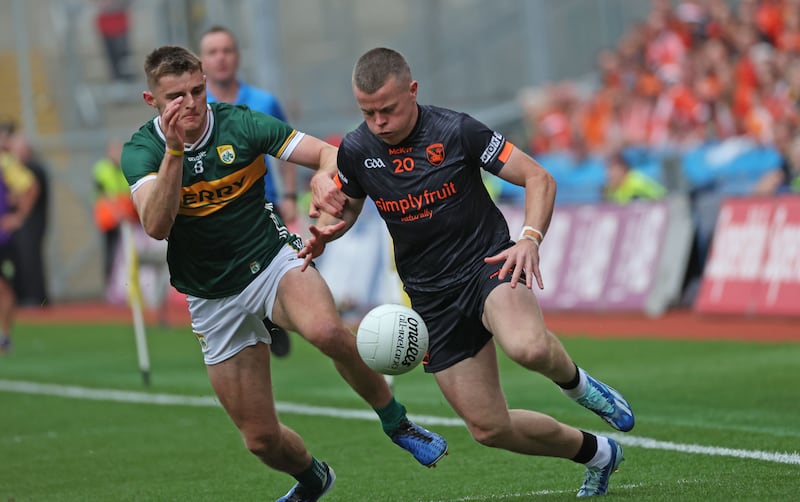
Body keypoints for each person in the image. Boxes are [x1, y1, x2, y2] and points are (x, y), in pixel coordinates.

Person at [301, 47, 636, 498]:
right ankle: (598, 454)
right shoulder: (358, 149)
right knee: (489, 427)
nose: (378, 121)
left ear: (413, 91)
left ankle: (578, 386)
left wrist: (529, 239)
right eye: (368, 112)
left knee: (528, 348)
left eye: (387, 109)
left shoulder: (457, 130)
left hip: (488, 265)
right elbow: (344, 214)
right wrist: (326, 233)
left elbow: (539, 178)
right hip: (431, 299)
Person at [120, 45, 448, 501]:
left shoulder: (241, 123)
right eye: (177, 96)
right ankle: (314, 478)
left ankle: (397, 422)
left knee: (326, 331)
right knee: (261, 440)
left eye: (198, 90)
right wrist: (175, 151)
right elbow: (156, 226)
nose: (191, 103)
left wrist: (323, 175)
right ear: (151, 100)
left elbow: (330, 154)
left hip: (271, 262)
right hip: (211, 296)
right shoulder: (142, 151)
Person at [199, 25, 297, 357]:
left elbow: (289, 147)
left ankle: (276, 316)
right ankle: (261, 322)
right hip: (216, 212)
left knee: (275, 269)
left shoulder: (263, 102)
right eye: (213, 52)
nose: (221, 58)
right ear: (202, 62)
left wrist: (290, 195)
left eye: (227, 50)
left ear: (237, 57)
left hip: (263, 204)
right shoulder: (198, 109)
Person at [0, 127, 40, 353]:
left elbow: (30, 186)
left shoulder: (5, 163)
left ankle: (5, 336)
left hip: (2, 239)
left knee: (4, 287)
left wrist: (19, 216)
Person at [6, 131, 49, 306]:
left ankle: (34, 298)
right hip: (30, 221)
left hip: (31, 222)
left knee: (30, 258)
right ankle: (27, 296)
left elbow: (31, 190)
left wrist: (19, 214)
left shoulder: (32, 169)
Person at [93, 139, 138, 284]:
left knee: (130, 250)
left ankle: (129, 283)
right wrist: (118, 214)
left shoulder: (126, 168)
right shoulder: (101, 169)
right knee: (111, 251)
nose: (117, 154)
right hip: (110, 219)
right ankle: (111, 285)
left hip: (129, 218)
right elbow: (104, 195)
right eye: (114, 151)